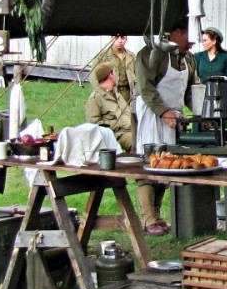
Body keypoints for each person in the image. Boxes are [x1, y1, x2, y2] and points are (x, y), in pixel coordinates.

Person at [134, 21, 200, 235]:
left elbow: (191, 90)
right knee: (150, 164)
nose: (192, 42)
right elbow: (146, 88)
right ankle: (148, 218)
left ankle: (158, 215)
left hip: (174, 117)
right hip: (152, 114)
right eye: (189, 36)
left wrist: (203, 111)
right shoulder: (152, 54)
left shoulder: (188, 58)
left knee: (169, 165)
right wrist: (163, 112)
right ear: (177, 32)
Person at [85, 62, 135, 152]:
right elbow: (93, 124)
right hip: (116, 134)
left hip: (132, 129)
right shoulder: (95, 97)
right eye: (114, 73)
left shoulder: (116, 93)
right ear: (110, 75)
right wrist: (118, 123)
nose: (116, 76)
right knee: (137, 142)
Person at [90, 34, 138, 106]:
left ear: (126, 39)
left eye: (122, 38)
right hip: (110, 93)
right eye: (116, 37)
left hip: (128, 95)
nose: (119, 41)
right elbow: (93, 77)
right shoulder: (103, 56)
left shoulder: (131, 56)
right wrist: (101, 94)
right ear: (111, 38)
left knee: (127, 116)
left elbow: (138, 76)